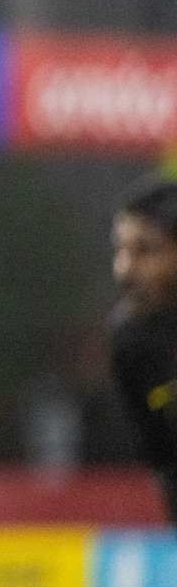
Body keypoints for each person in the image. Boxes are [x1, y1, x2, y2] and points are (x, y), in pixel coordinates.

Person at [108, 179, 177, 521]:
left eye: (145, 250)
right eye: (119, 250)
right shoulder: (131, 341)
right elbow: (159, 455)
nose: (123, 270)